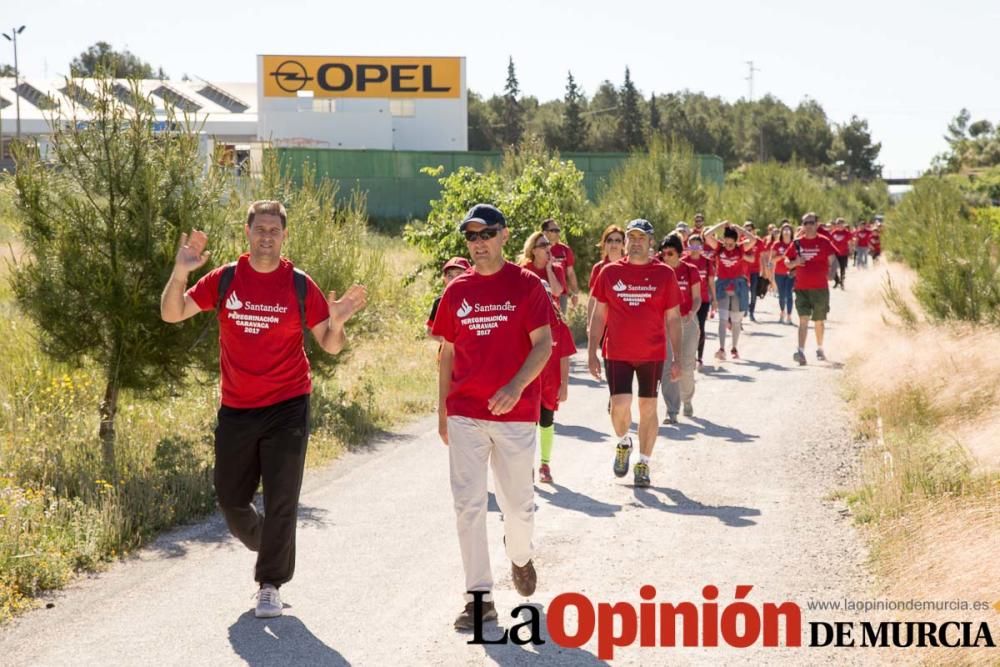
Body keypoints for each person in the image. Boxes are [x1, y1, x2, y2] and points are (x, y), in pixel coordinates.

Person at [159, 200, 368, 618]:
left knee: (281, 500)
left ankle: (269, 583)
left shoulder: (299, 284)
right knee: (231, 499)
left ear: (284, 235)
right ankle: (268, 539)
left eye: (275, 229)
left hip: (288, 405)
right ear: (248, 231)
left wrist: (339, 321)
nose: (267, 236)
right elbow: (172, 313)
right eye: (261, 229)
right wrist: (181, 270)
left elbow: (328, 343)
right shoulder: (226, 279)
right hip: (237, 407)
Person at [432, 203, 552, 631]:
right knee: (467, 505)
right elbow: (446, 353)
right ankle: (479, 599)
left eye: (486, 234)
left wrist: (516, 385)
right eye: (471, 236)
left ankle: (519, 555)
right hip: (466, 413)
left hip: (515, 414)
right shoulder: (456, 292)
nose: (478, 243)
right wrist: (443, 410)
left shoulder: (527, 286)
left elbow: (544, 345)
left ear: (504, 235)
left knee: (517, 507)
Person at [588, 219, 682, 488]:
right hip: (616, 351)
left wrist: (677, 357)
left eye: (642, 237)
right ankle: (623, 442)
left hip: (651, 352)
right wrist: (592, 351)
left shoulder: (664, 274)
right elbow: (598, 315)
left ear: (651, 242)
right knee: (619, 404)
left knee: (648, 407)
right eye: (632, 237)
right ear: (626, 241)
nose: (636, 242)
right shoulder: (609, 273)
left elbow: (673, 318)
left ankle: (643, 463)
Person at [783, 211, 838, 365]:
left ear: (817, 224)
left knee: (819, 321)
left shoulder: (824, 242)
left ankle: (820, 348)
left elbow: (833, 260)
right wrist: (795, 262)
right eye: (805, 223)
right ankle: (800, 352)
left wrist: (832, 273)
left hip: (820, 288)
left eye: (811, 222)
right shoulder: (797, 243)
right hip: (801, 288)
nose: (808, 226)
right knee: (803, 320)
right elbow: (787, 260)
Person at [658, 233, 702, 420]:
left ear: (678, 253)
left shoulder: (690, 270)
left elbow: (698, 297)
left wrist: (692, 311)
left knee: (686, 364)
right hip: (666, 324)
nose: (666, 257)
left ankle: (687, 399)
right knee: (668, 366)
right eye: (663, 254)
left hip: (687, 321)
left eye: (670, 253)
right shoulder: (659, 271)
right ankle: (672, 410)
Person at [537, 282, 576, 484]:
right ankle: (525, 467)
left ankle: (545, 464)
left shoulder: (559, 327)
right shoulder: (523, 322)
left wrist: (565, 385)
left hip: (550, 384)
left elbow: (564, 357)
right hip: (528, 385)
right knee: (525, 427)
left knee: (546, 423)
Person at [704, 222, 754, 361]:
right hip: (722, 285)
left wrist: (740, 229)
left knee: (736, 320)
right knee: (723, 319)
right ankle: (721, 348)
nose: (729, 246)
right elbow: (707, 235)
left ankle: (734, 347)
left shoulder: (740, 248)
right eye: (727, 243)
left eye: (731, 244)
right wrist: (721, 225)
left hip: (738, 286)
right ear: (724, 240)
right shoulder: (720, 248)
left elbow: (753, 240)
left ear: (736, 241)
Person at [682, 233, 714, 370]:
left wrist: (715, 300)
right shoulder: (683, 262)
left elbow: (711, 282)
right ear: (688, 246)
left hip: (704, 300)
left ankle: (699, 357)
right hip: (685, 301)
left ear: (702, 247)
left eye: (697, 245)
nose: (694, 248)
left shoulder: (707, 262)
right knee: (686, 329)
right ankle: (687, 356)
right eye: (692, 245)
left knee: (700, 328)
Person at [427, 257, 471, 339]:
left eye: (459, 275)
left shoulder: (478, 300)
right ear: (444, 280)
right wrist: (447, 342)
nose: (454, 279)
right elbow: (430, 331)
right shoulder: (439, 302)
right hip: (448, 351)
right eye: (450, 276)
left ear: (469, 277)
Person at [519, 231, 567, 307]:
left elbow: (556, 292)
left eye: (548, 244)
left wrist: (549, 269)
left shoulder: (557, 268)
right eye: (543, 245)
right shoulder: (524, 270)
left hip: (552, 315)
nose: (547, 247)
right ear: (534, 251)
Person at [542, 219, 579, 314]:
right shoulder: (538, 248)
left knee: (560, 323)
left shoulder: (565, 250)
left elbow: (570, 273)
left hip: (561, 294)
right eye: (554, 230)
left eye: (558, 230)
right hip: (542, 292)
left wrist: (575, 293)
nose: (558, 232)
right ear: (545, 232)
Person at [771, 224, 796, 324]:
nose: (786, 231)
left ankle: (789, 316)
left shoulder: (795, 244)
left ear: (791, 232)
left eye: (788, 229)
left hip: (791, 272)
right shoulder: (777, 245)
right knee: (781, 295)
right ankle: (782, 312)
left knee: (789, 293)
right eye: (784, 230)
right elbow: (772, 260)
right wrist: (782, 256)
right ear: (781, 232)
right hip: (779, 273)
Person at [742, 221, 766, 322]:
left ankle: (751, 312)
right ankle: (744, 309)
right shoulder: (740, 241)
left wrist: (764, 271)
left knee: (753, 291)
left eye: (750, 230)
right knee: (744, 292)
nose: (748, 232)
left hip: (755, 270)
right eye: (746, 230)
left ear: (753, 230)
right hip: (743, 271)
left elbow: (762, 257)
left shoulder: (759, 241)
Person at [829, 218, 852, 290]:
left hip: (844, 253)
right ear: (836, 225)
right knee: (833, 268)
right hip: (835, 253)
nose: (840, 225)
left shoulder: (847, 233)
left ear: (844, 225)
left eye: (842, 224)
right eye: (838, 224)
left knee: (842, 269)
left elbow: (850, 242)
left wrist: (851, 251)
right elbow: (829, 242)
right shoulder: (833, 232)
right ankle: (837, 280)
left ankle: (842, 282)